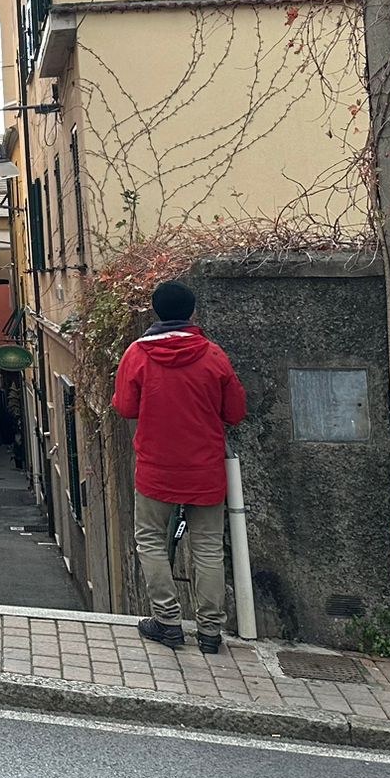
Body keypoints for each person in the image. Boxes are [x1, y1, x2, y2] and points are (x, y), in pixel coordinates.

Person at [112, 279, 246, 654]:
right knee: (207, 548)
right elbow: (235, 412)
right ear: (191, 313)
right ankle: (209, 632)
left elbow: (125, 407)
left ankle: (168, 621)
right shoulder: (213, 355)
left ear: (155, 311)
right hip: (205, 467)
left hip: (156, 467)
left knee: (150, 540)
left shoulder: (137, 355)